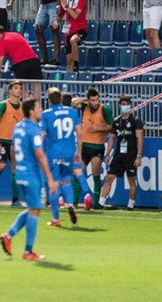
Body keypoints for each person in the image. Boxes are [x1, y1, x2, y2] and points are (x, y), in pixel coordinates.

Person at [0, 98, 57, 261]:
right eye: (38, 107)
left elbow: (14, 149)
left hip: (20, 173)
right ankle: (28, 251)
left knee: (34, 208)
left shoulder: (17, 127)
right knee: (34, 210)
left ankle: (8, 236)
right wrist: (50, 178)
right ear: (31, 111)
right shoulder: (34, 130)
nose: (41, 110)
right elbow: (39, 154)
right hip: (31, 174)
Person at [40, 88, 84, 227]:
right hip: (69, 152)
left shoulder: (46, 114)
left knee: (53, 184)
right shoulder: (72, 111)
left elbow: (41, 135)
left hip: (53, 153)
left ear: (49, 100)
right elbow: (79, 133)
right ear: (61, 99)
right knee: (66, 181)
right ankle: (70, 204)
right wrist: (79, 151)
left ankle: (55, 219)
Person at [8, 0, 62, 66]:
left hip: (53, 3)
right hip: (44, 4)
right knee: (38, 29)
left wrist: (58, 7)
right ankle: (45, 58)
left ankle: (56, 58)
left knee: (54, 28)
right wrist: (10, 2)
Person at [99, 96, 144, 211]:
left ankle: (130, 205)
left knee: (131, 180)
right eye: (123, 103)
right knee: (109, 178)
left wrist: (138, 156)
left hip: (131, 154)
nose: (125, 106)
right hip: (119, 155)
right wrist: (108, 154)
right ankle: (101, 203)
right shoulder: (116, 121)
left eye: (127, 104)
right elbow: (112, 138)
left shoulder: (136, 121)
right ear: (120, 105)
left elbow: (139, 139)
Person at [72, 88, 113, 209]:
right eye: (93, 100)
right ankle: (74, 202)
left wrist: (97, 129)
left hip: (97, 147)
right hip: (84, 146)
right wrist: (85, 99)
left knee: (95, 171)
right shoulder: (85, 106)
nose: (96, 102)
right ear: (89, 100)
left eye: (97, 99)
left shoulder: (104, 110)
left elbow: (111, 127)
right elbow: (73, 102)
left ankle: (96, 202)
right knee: (78, 172)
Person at [0, 26, 42, 101]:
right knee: (37, 87)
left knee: (24, 88)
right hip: (34, 60)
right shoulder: (16, 34)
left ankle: (26, 109)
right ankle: (37, 108)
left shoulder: (3, 42)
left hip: (20, 63)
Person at [61, 92, 93, 210]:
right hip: (74, 146)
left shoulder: (55, 114)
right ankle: (87, 194)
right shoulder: (73, 113)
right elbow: (80, 133)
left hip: (62, 148)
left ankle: (60, 199)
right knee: (79, 174)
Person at [55, 0, 87, 73]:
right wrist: (56, 21)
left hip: (80, 28)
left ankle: (76, 65)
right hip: (68, 30)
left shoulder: (81, 0)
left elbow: (75, 15)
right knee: (69, 61)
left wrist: (66, 6)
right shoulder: (63, 1)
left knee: (73, 40)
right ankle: (69, 79)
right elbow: (60, 15)